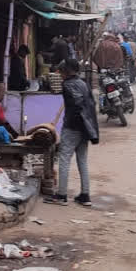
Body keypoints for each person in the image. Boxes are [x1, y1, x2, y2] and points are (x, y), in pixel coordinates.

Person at [44, 59, 99, 207]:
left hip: (72, 127)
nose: (60, 74)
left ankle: (61, 195)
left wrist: (71, 124)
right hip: (86, 128)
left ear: (66, 71)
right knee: (82, 161)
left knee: (64, 159)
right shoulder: (83, 83)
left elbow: (76, 106)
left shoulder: (67, 85)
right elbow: (90, 105)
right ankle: (85, 195)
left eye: (61, 72)